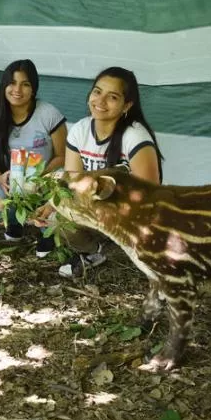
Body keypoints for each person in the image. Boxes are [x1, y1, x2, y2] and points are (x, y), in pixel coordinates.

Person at [57, 66, 164, 278]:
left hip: (131, 214)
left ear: (127, 105)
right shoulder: (80, 129)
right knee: (60, 218)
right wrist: (50, 206)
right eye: (97, 91)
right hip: (98, 209)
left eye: (112, 96)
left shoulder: (135, 136)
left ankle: (135, 249)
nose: (100, 101)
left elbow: (149, 195)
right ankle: (95, 252)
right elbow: (72, 182)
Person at [0, 59, 67, 257]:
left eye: (25, 84)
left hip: (47, 178)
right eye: (12, 83)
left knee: (60, 189)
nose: (17, 90)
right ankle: (15, 224)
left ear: (34, 89)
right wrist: (1, 180)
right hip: (16, 182)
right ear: (4, 86)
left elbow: (63, 156)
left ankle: (47, 232)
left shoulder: (48, 114)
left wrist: (37, 177)